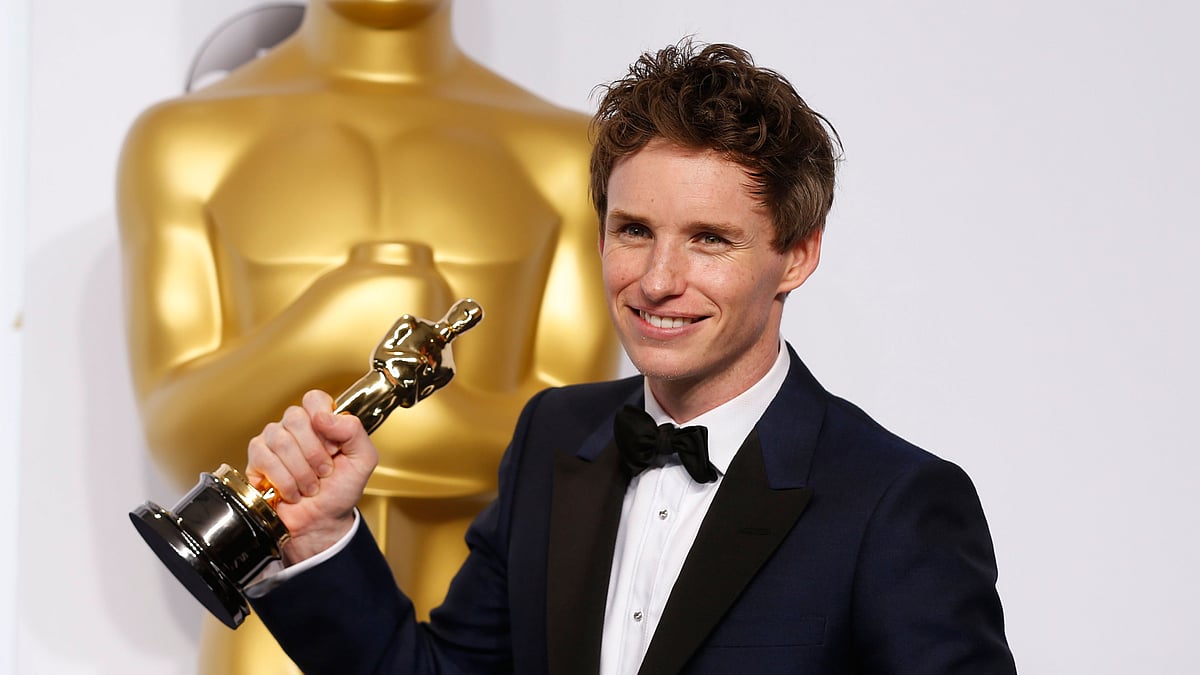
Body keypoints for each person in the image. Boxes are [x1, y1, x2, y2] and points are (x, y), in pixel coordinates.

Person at [243, 40, 1017, 674]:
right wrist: (324, 539)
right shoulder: (553, 436)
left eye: (709, 239)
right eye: (634, 229)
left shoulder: (897, 503)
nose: (657, 281)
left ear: (796, 256)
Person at [116, 0, 617, 672]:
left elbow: (578, 449)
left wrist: (366, 389)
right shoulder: (184, 143)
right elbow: (177, 432)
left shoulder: (566, 154)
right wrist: (327, 325)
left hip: (477, 623)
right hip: (271, 633)